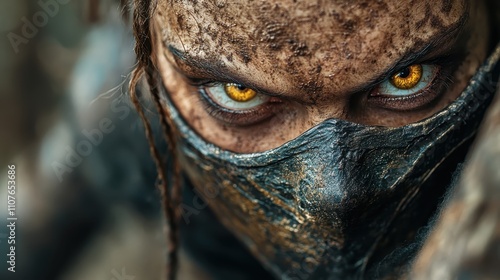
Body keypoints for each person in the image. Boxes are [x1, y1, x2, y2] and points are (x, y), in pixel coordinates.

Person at [127, 0, 500, 279]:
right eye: (238, 91)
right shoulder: (130, 139)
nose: (336, 196)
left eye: (407, 77)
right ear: (152, 56)